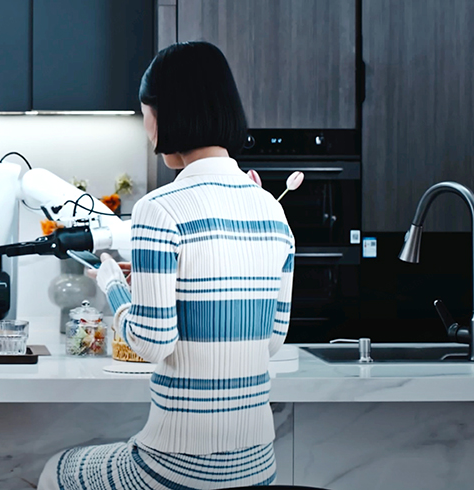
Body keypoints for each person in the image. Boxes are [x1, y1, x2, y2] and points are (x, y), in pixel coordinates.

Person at [38, 41, 295, 490]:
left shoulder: (159, 209)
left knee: (55, 471)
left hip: (177, 467)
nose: (146, 128)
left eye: (145, 114)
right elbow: (271, 340)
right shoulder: (273, 210)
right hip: (257, 467)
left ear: (164, 115)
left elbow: (152, 343)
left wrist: (114, 284)